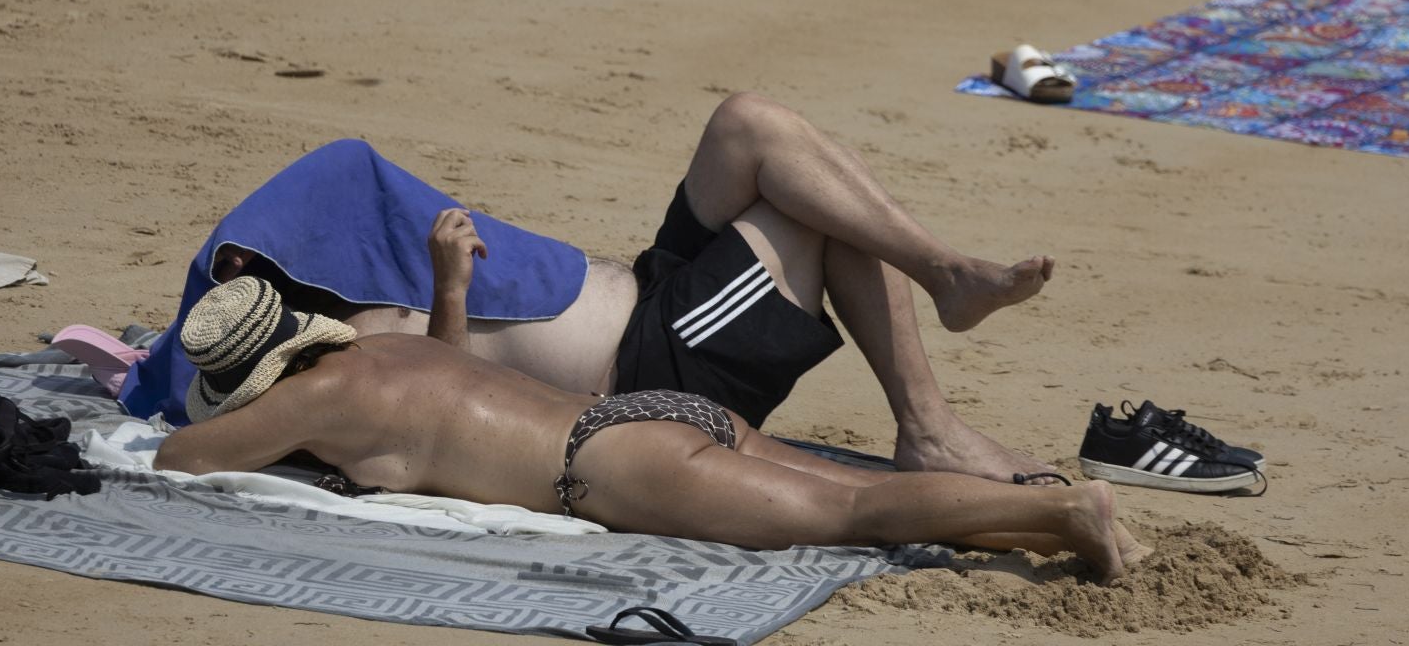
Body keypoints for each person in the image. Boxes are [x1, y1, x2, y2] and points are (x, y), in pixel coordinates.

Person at [121, 92, 1075, 483]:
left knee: (756, 129)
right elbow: (438, 409)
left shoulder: (355, 297)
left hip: (660, 292)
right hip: (659, 365)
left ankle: (945, 274)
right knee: (819, 212)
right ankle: (929, 424)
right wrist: (449, 289)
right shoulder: (336, 359)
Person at [153, 267, 1150, 582]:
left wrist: (254, 416)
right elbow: (450, 382)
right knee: (843, 496)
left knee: (854, 507)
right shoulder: (393, 354)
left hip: (606, 462)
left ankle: (1069, 512)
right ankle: (1037, 527)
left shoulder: (315, 398)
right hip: (656, 411)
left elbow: (181, 455)